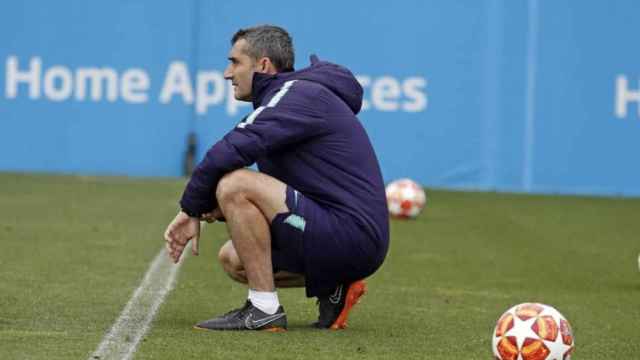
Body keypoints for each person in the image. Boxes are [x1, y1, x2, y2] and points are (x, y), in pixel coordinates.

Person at [163, 25, 389, 332]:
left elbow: (231, 149)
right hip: (341, 234)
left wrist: (190, 209)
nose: (228, 74)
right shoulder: (292, 98)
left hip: (350, 234)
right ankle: (335, 284)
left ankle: (263, 309)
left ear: (263, 65)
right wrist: (213, 206)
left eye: (235, 62)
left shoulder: (297, 95)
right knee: (233, 257)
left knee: (235, 184)